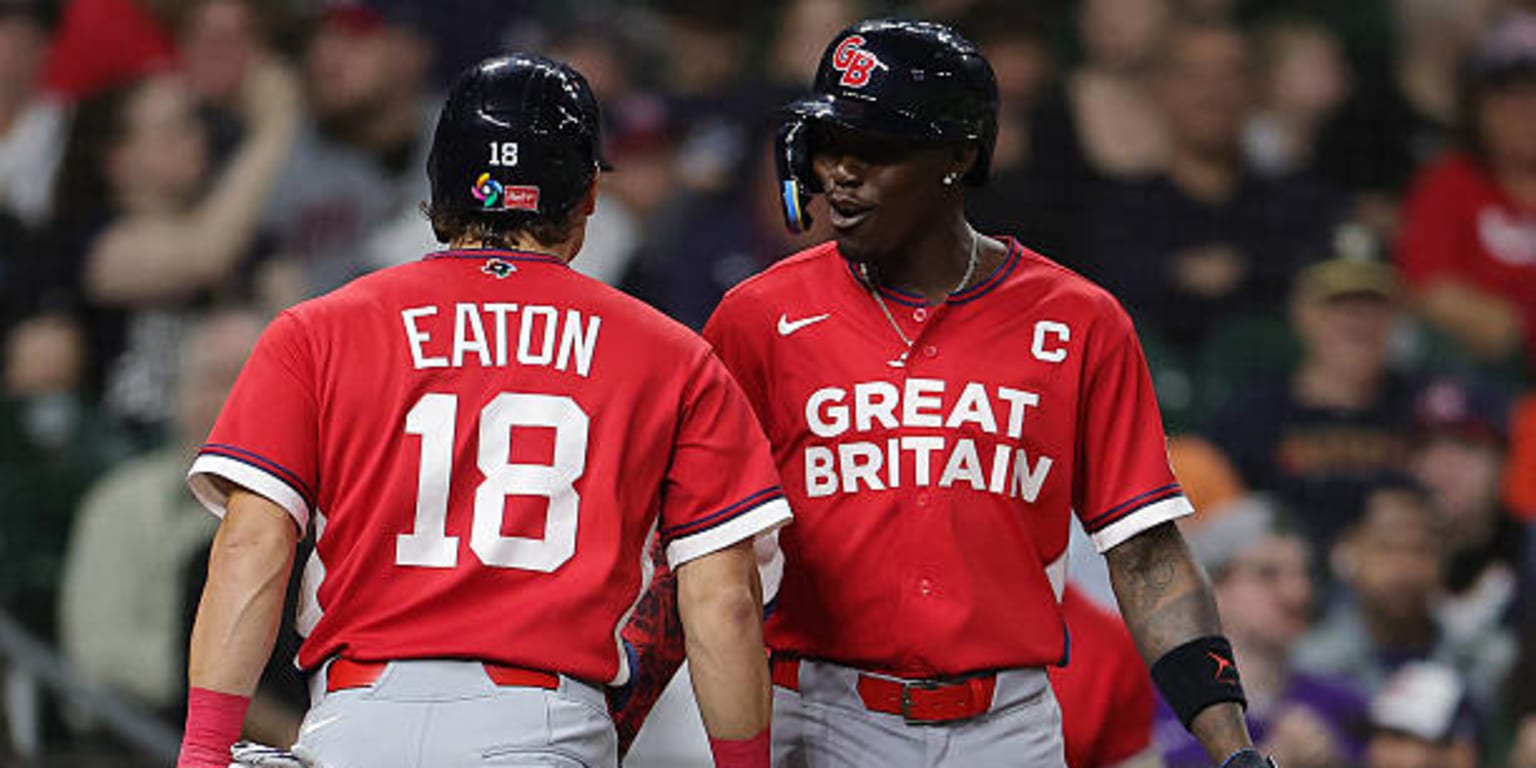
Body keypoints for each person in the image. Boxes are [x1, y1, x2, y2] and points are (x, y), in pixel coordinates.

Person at [175, 54, 791, 768]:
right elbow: (724, 605)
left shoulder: (316, 331)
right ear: (588, 194)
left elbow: (251, 550)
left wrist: (200, 754)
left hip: (357, 722)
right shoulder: (672, 357)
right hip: (544, 725)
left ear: (438, 185)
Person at [703, 19, 1273, 768]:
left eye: (873, 148)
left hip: (1008, 726)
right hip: (817, 714)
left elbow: (1145, 554)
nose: (839, 171)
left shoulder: (1078, 321)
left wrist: (1233, 748)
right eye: (827, 143)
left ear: (961, 156)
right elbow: (696, 553)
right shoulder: (757, 319)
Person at [1156, 497, 1368, 768]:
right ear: (1212, 590)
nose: (1298, 594)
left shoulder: (1343, 704)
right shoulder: (1161, 710)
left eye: (1304, 574)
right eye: (1267, 575)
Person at [1395, 9, 1536, 372]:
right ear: (1478, 109)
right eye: (1506, 97)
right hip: (1487, 378)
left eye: (1533, 95)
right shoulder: (1451, 182)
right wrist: (1520, 328)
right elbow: (1430, 288)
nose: (1522, 111)